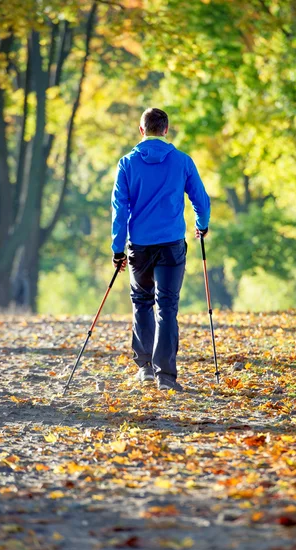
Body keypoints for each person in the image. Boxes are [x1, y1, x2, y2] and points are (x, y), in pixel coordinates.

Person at [111, 107, 210, 391]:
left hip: (139, 246)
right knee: (167, 306)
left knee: (142, 302)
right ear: (166, 130)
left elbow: (120, 209)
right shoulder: (182, 161)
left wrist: (118, 248)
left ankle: (144, 369)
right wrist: (202, 225)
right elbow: (201, 200)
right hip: (171, 245)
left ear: (141, 130)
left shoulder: (127, 163)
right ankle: (166, 376)